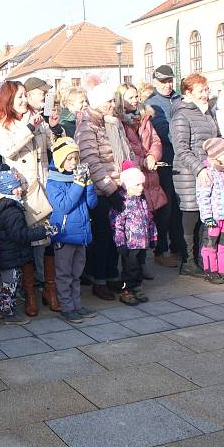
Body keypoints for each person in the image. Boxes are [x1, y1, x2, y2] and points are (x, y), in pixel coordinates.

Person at [0, 81, 57, 316]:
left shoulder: (37, 118)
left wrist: (53, 127)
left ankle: (50, 288)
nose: (22, 100)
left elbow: (51, 145)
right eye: (18, 97)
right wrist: (29, 127)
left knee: (49, 238)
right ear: (8, 100)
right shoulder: (0, 125)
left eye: (23, 96)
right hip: (23, 190)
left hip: (44, 183)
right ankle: (29, 292)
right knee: (28, 242)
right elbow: (7, 150)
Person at [77, 83, 132, 299]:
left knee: (115, 236)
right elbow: (91, 160)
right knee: (102, 238)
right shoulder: (87, 126)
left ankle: (112, 275)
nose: (112, 105)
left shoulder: (110, 123)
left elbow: (123, 152)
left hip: (118, 185)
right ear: (99, 102)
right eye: (108, 101)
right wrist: (110, 189)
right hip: (101, 192)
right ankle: (99, 280)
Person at [0, 170, 55, 325]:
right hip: (10, 255)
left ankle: (1, 309)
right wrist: (43, 231)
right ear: (6, 190)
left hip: (9, 254)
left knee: (10, 282)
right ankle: (8, 313)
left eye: (19, 186)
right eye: (14, 188)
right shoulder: (12, 211)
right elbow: (20, 235)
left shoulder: (7, 206)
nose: (19, 190)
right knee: (9, 285)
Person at [118, 83, 169, 276]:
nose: (135, 100)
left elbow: (155, 140)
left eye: (136, 96)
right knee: (133, 221)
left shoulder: (145, 117)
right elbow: (125, 149)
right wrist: (141, 161)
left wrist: (152, 157)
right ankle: (133, 267)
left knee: (149, 219)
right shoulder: (119, 122)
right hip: (134, 175)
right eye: (130, 97)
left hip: (150, 173)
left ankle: (143, 262)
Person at [170, 73, 219, 278]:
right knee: (191, 216)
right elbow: (181, 148)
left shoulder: (206, 113)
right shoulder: (181, 115)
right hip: (189, 173)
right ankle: (188, 261)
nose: (205, 94)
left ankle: (202, 259)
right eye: (201, 91)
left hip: (208, 171)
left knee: (205, 215)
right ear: (188, 93)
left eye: (206, 90)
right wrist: (199, 169)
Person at [45, 138, 97, 322]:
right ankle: (66, 307)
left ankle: (77, 305)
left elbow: (92, 203)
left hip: (82, 234)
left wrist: (89, 184)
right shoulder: (53, 182)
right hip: (65, 235)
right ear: (60, 161)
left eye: (76, 158)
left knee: (77, 274)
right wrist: (78, 185)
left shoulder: (79, 179)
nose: (74, 162)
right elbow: (64, 206)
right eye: (69, 159)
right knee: (64, 274)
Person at [145, 65, 183, 266]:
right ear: (155, 82)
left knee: (180, 207)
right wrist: (183, 137)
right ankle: (162, 250)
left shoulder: (179, 98)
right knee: (165, 208)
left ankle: (179, 245)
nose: (168, 85)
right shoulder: (151, 104)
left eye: (170, 81)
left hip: (182, 160)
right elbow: (161, 132)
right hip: (165, 162)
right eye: (163, 82)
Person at [110, 160, 157, 305]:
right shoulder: (122, 203)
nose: (141, 188)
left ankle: (137, 287)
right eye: (137, 185)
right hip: (130, 244)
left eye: (142, 185)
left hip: (143, 242)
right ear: (128, 185)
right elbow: (117, 225)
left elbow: (149, 219)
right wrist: (120, 243)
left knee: (139, 267)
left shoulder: (141, 201)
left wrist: (153, 236)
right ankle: (127, 291)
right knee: (129, 268)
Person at [196, 137, 224, 284]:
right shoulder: (208, 173)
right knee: (210, 246)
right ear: (216, 155)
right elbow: (203, 197)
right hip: (213, 219)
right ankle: (211, 271)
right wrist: (207, 216)